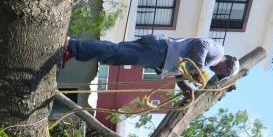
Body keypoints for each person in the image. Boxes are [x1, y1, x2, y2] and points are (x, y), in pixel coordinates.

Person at [62, 34, 240, 98]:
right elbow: (202, 43)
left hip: (159, 56)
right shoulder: (218, 52)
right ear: (227, 68)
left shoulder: (207, 63)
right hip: (161, 50)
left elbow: (180, 71)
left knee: (115, 57)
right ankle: (73, 46)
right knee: (116, 52)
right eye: (223, 74)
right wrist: (199, 69)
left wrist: (185, 86)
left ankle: (74, 50)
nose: (218, 74)